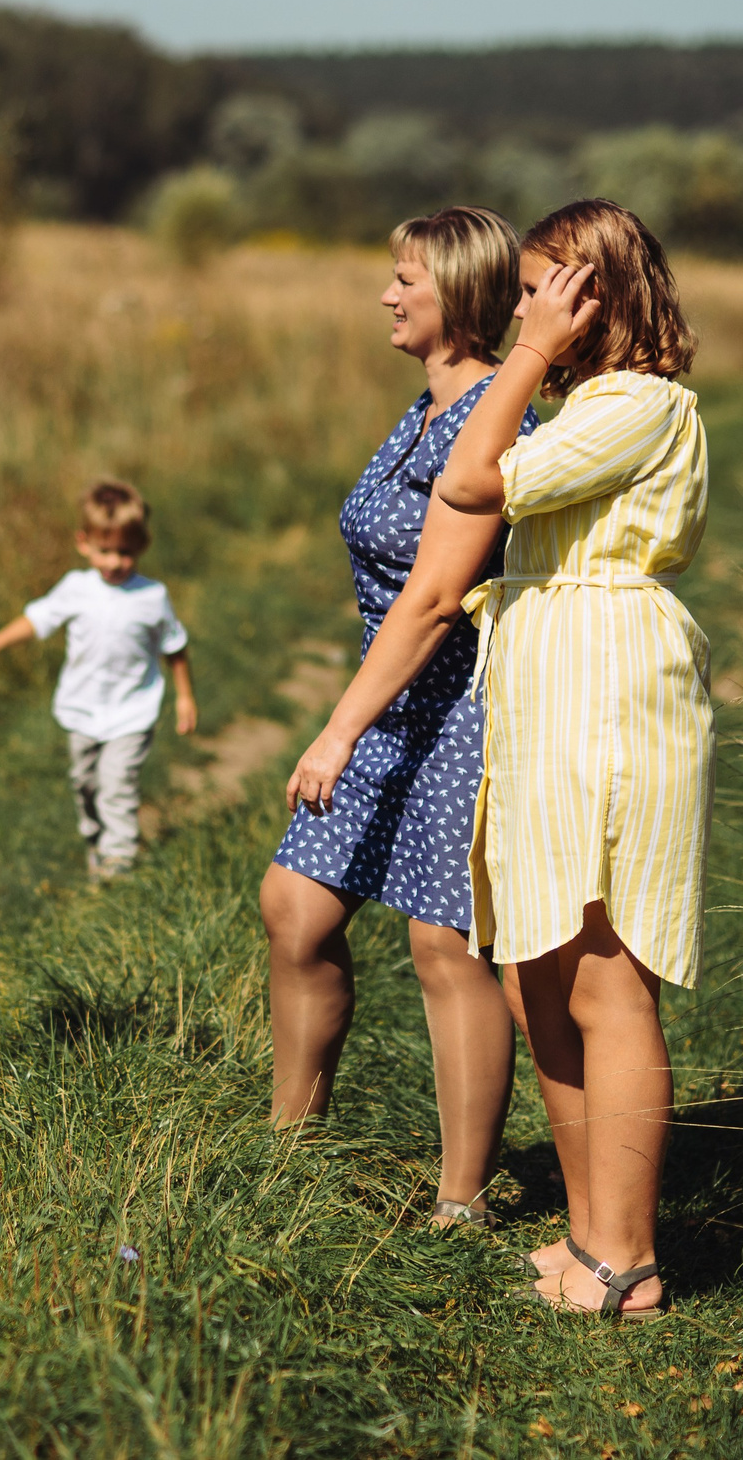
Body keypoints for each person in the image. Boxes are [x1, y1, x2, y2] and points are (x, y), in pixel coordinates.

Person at [435, 197, 712, 1321]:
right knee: (536, 965)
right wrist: (541, 359)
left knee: (605, 966)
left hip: (610, 693)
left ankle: (628, 1262)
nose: (521, 304)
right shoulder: (591, 403)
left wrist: (528, 352)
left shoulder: (642, 404)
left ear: (592, 290)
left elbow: (467, 480)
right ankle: (589, 1230)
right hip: (551, 692)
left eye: (544, 283)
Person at [260, 207, 537, 1229]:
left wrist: (335, 728)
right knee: (295, 905)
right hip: (388, 692)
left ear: (457, 296)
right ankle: (289, 1145)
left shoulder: (495, 423)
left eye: (405, 279)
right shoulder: (420, 410)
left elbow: (433, 601)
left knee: (444, 944)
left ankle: (460, 1198)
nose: (386, 292)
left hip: (463, 700)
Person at [0, 479, 198, 878]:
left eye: (124, 552)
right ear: (84, 543)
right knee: (85, 784)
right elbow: (37, 619)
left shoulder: (152, 596)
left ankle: (118, 860)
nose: (113, 562)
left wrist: (184, 697)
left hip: (132, 711)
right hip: (82, 709)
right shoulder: (76, 589)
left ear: (142, 545)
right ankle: (96, 842)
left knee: (117, 784)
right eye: (104, 551)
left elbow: (174, 647)